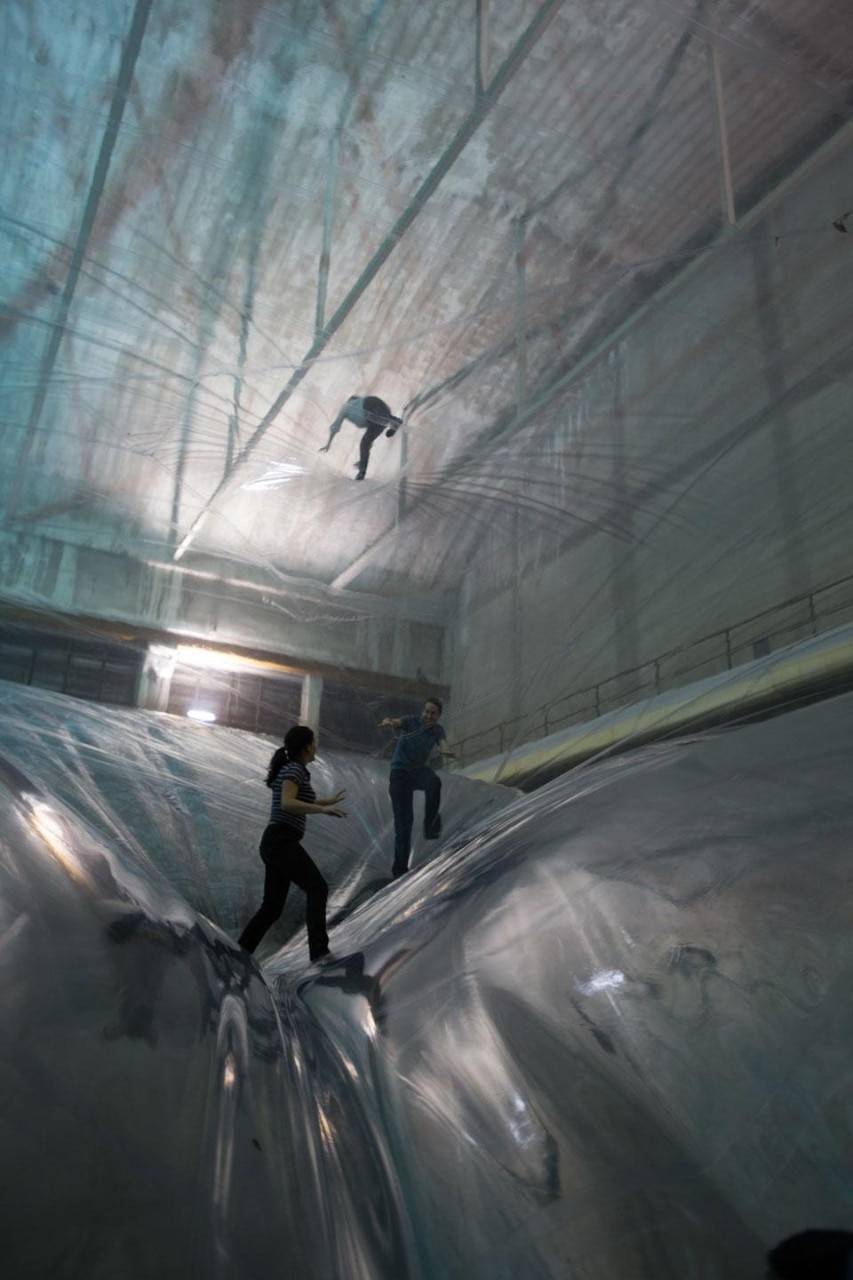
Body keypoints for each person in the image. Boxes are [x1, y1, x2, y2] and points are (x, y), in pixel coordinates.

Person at [238, 725, 345, 962]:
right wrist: (322, 809)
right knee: (317, 887)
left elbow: (297, 798)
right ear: (307, 745)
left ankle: (240, 952)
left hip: (277, 842)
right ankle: (319, 952)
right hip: (281, 840)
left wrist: (326, 801)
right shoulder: (294, 769)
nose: (316, 746)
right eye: (314, 742)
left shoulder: (295, 770)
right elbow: (288, 803)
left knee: (273, 907)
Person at [380, 698, 456, 878]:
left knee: (434, 782)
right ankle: (399, 870)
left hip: (418, 771)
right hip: (400, 774)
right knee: (404, 825)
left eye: (433, 713)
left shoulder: (437, 730)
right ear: (423, 711)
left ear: (438, 716)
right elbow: (397, 721)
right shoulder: (412, 721)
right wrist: (389, 721)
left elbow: (443, 743)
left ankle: (430, 826)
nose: (428, 716)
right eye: (427, 711)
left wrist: (446, 751)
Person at [319, 394, 402, 479]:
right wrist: (362, 460)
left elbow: (335, 426)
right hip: (380, 410)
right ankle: (394, 421)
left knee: (376, 418)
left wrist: (328, 443)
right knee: (365, 443)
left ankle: (361, 473)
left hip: (369, 405)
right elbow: (369, 443)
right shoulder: (357, 406)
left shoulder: (346, 407)